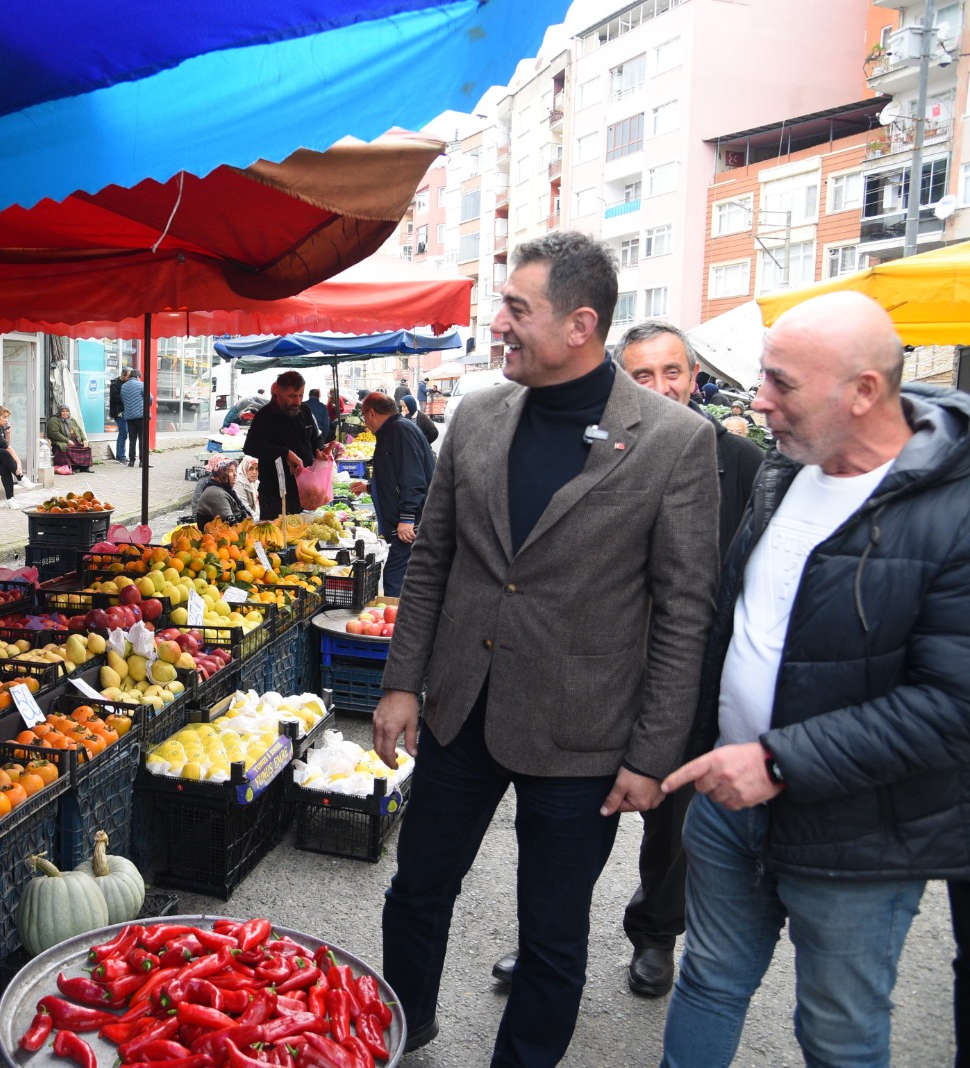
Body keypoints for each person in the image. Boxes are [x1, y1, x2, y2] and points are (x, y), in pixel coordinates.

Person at [372, 232, 719, 1065]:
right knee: (416, 891)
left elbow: (683, 611)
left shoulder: (674, 441)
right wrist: (402, 683)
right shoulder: (479, 413)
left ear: (580, 324)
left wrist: (651, 753)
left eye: (517, 309)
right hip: (461, 709)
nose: (499, 324)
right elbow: (436, 563)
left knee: (554, 935)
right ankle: (399, 1029)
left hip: (584, 736)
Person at [658, 292, 970, 1067]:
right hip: (728, 808)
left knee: (838, 1028)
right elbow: (733, 628)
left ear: (864, 392)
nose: (758, 400)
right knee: (709, 981)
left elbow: (951, 705)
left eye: (782, 384)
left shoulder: (955, 511)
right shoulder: (784, 474)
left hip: (860, 835)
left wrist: (775, 761)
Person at [490, 320, 765, 998]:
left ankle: (654, 935)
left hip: (691, 679)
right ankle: (546, 944)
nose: (661, 387)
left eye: (672, 372)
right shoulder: (604, 446)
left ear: (695, 379)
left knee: (670, 833)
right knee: (572, 830)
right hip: (599, 676)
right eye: (642, 376)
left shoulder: (745, 463)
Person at [347, 393, 433, 596]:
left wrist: (407, 518)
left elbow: (413, 478)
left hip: (411, 523)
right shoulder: (394, 429)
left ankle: (396, 623)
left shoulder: (399, 430)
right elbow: (395, 478)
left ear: (372, 412)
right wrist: (369, 488)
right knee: (404, 576)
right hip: (409, 520)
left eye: (365, 418)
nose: (365, 424)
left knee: (394, 576)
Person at [243, 370, 334, 519]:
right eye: (292, 396)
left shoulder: (304, 410)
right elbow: (251, 447)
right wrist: (284, 453)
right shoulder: (264, 416)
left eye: (300, 396)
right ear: (278, 393)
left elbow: (314, 437)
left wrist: (320, 450)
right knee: (277, 540)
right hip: (275, 495)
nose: (297, 401)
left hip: (305, 491)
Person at [193, 456, 252, 526]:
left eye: (235, 471)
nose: (235, 474)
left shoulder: (224, 488)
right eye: (230, 471)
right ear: (221, 474)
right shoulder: (217, 494)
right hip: (218, 535)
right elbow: (232, 524)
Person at [45, 404, 92, 472]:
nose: (65, 413)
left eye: (67, 411)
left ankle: (84, 467)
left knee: (86, 448)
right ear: (59, 412)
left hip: (75, 440)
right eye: (63, 411)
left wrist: (84, 439)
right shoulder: (54, 421)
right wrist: (67, 441)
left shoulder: (71, 420)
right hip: (61, 441)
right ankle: (71, 467)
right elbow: (55, 434)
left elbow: (79, 430)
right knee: (66, 449)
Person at [120, 369, 149, 467]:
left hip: (129, 417)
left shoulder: (123, 386)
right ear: (138, 376)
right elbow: (149, 398)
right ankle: (142, 461)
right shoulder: (142, 385)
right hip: (141, 416)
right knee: (142, 438)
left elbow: (122, 399)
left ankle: (131, 461)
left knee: (132, 439)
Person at [109, 368, 129, 461]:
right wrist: (125, 396)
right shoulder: (115, 384)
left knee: (124, 433)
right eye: (128, 376)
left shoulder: (127, 383)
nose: (129, 378)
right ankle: (121, 455)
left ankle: (121, 454)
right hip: (119, 411)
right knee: (123, 433)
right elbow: (114, 398)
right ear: (123, 375)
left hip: (126, 411)